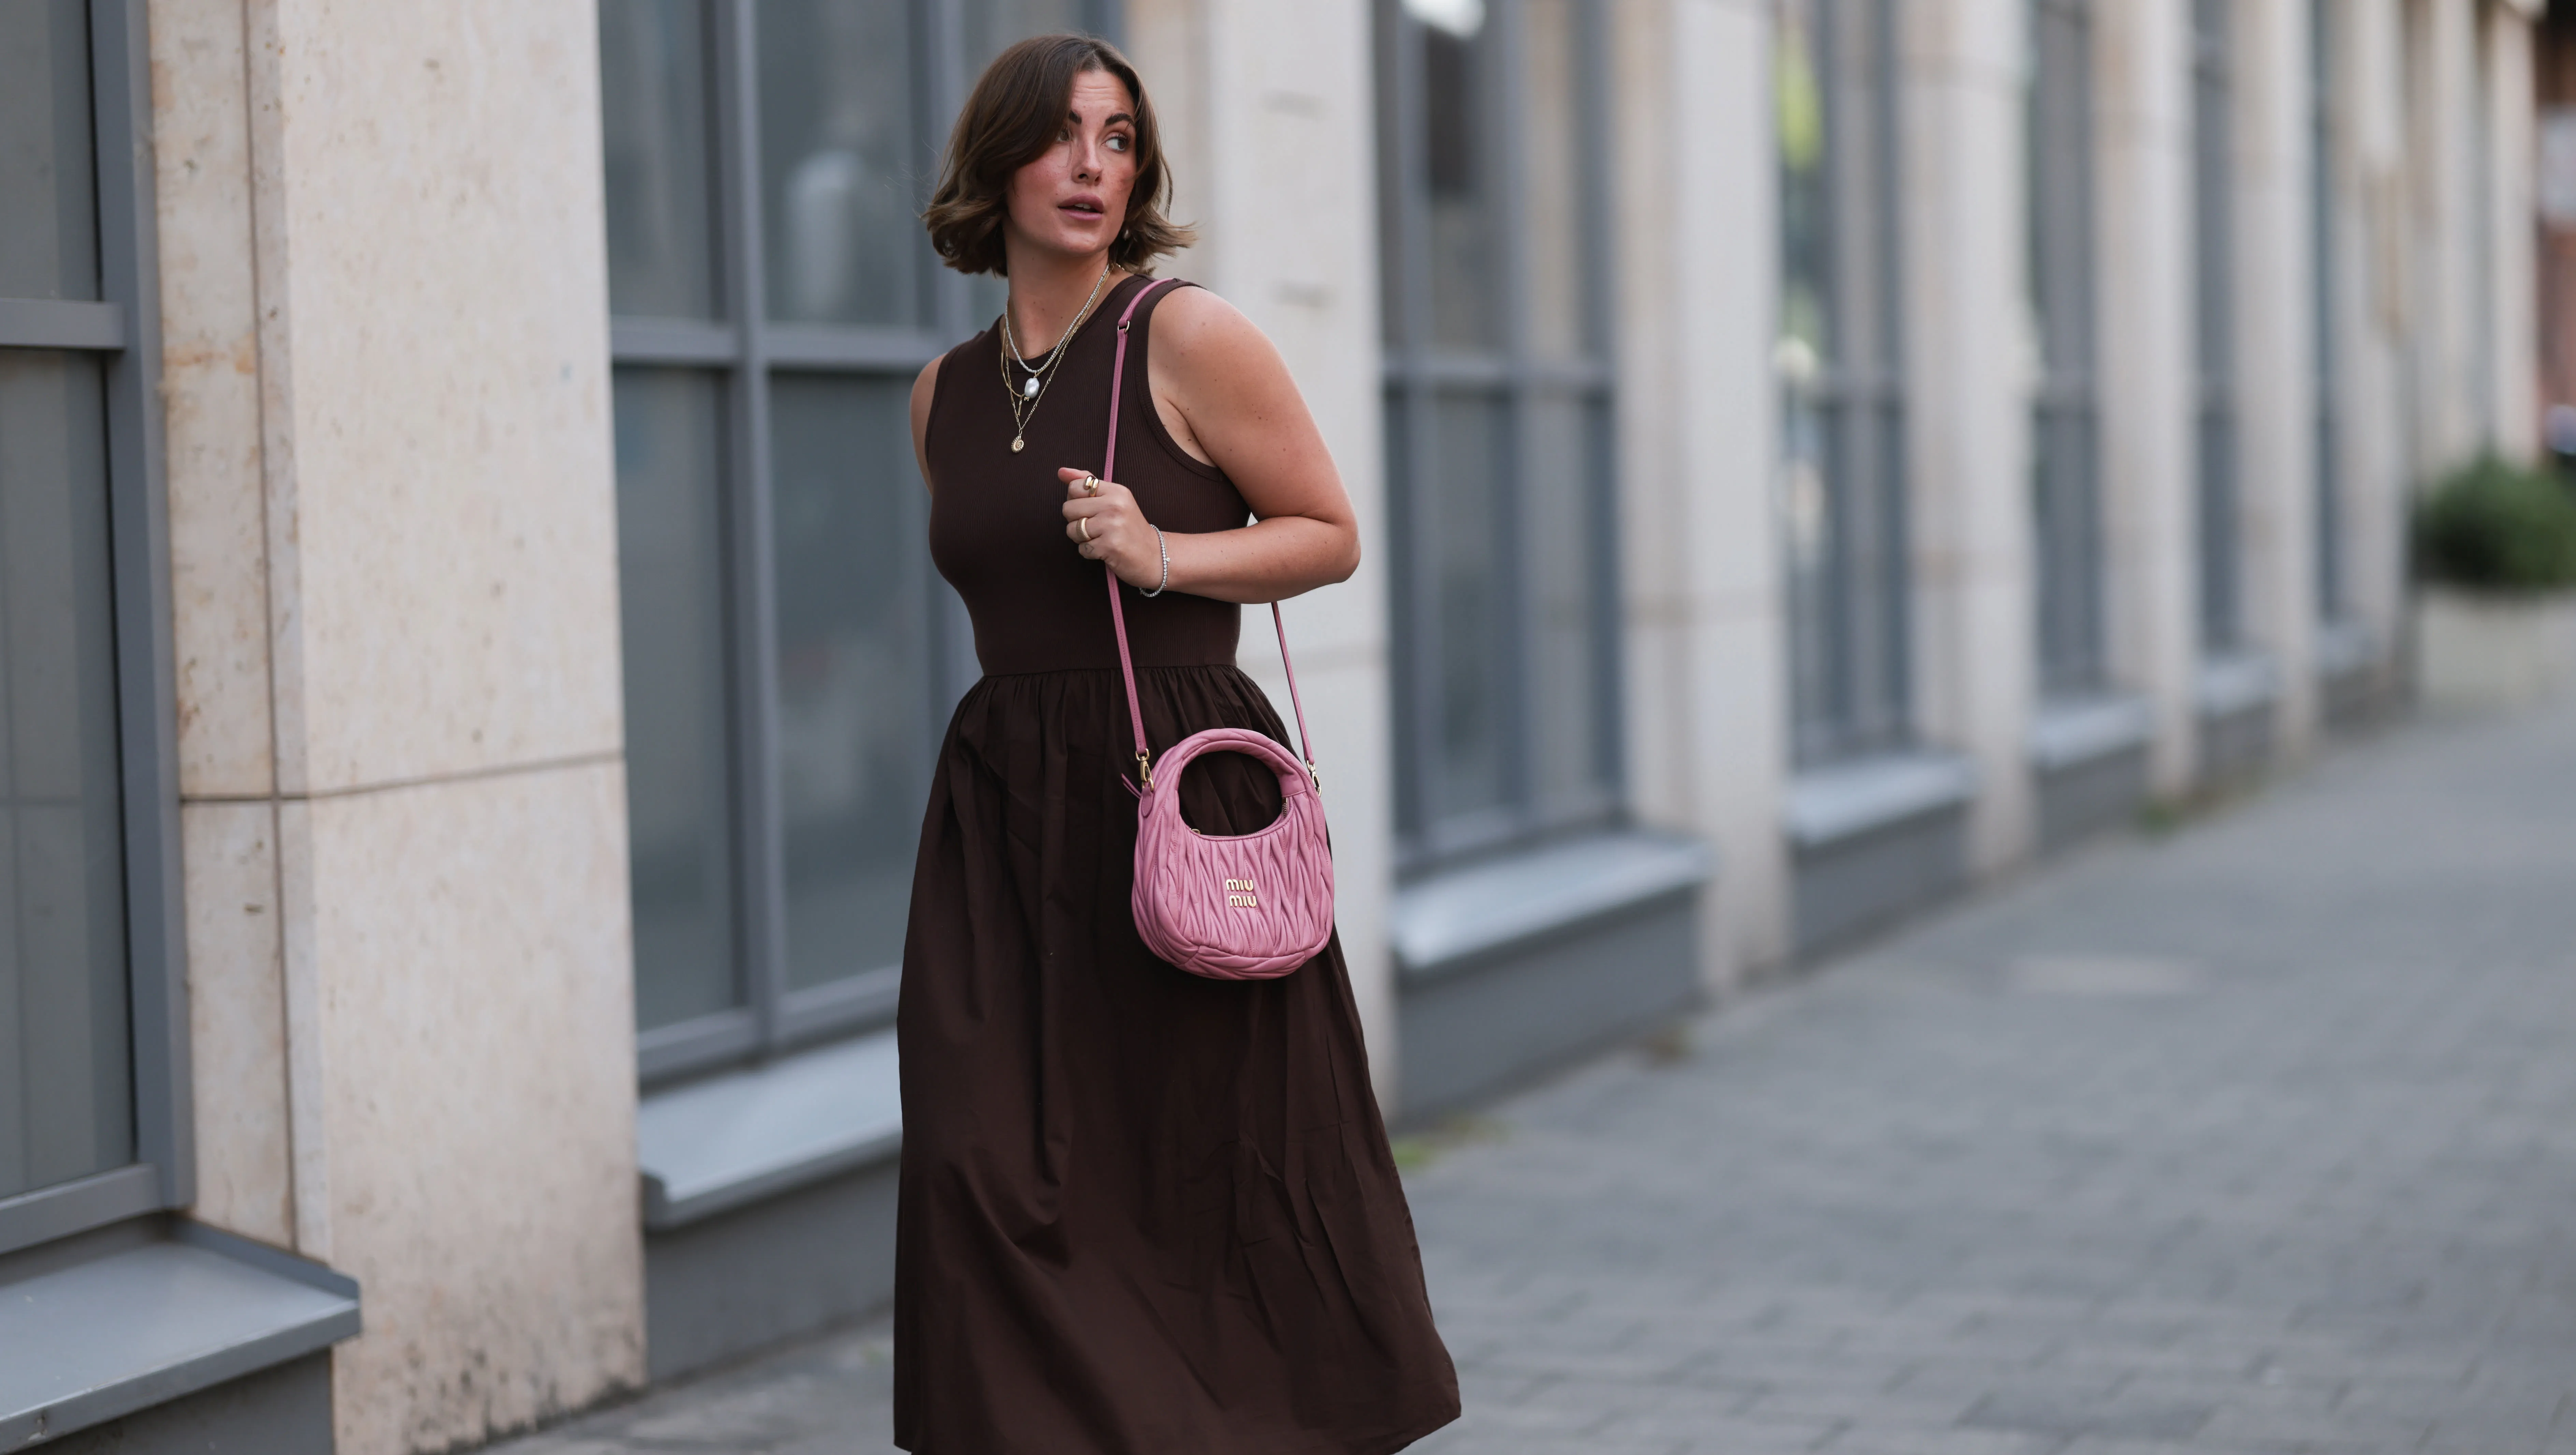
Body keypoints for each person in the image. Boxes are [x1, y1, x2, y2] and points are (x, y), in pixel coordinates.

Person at [894, 31, 1461, 1455]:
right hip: (1003, 817)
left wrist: (1161, 554)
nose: (1094, 165)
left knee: (1192, 1174)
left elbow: (1328, 534)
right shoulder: (940, 395)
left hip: (1174, 788)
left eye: (1121, 137)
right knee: (984, 1166)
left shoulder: (1185, 336)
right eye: (1062, 134)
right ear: (996, 163)